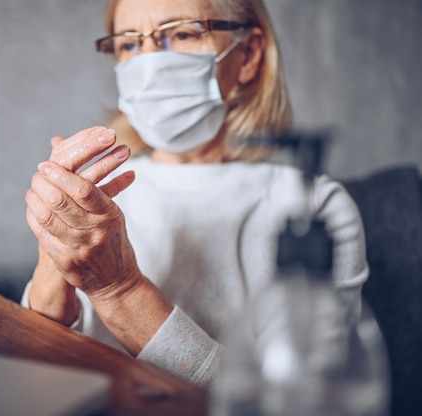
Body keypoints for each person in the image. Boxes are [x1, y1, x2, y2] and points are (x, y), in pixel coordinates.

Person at [22, 0, 368, 388]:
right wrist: (53, 252)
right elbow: (30, 368)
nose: (148, 65)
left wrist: (119, 290)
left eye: (182, 33)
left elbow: (302, 400)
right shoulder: (100, 193)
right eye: (129, 45)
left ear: (248, 55)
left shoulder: (313, 206)